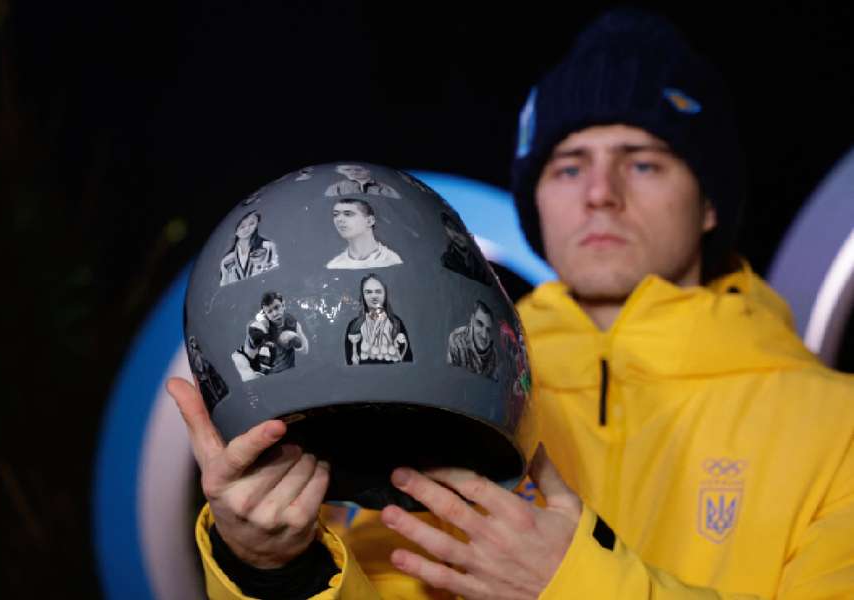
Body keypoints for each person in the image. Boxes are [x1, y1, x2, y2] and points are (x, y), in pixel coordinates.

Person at [168, 9, 854, 599]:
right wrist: (271, 569)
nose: (600, 193)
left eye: (643, 161)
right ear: (538, 202)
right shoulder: (442, 396)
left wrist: (575, 584)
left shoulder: (839, 426)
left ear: (708, 205)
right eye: (568, 166)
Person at [231, 291, 308, 381]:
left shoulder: (292, 323)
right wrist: (256, 336)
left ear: (283, 305)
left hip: (291, 377)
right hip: (267, 382)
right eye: (269, 311)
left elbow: (305, 351)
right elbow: (249, 354)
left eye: (276, 307)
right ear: (265, 314)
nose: (275, 313)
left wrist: (296, 341)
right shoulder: (260, 328)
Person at [344, 273, 412, 365]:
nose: (374, 296)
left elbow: (407, 359)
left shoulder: (396, 322)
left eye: (378, 291)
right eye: (368, 292)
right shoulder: (354, 325)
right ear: (363, 295)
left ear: (385, 294)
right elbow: (350, 363)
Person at [326, 198, 403, 269]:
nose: (339, 219)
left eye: (348, 214)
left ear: (369, 221)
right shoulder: (335, 264)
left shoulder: (391, 260)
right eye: (336, 214)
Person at [219, 210, 279, 286]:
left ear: (257, 224)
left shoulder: (268, 247)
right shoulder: (226, 261)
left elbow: (275, 274)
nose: (247, 229)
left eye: (252, 224)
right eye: (242, 226)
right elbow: (224, 285)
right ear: (235, 230)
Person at [447, 300, 498, 380]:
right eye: (479, 324)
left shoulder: (492, 353)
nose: (484, 335)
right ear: (472, 319)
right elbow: (451, 374)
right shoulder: (457, 339)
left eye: (488, 330)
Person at [440, 212, 493, 284]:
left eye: (457, 229)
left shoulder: (487, 255)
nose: (454, 235)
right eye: (449, 228)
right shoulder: (450, 258)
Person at [325, 164, 401, 198]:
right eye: (347, 169)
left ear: (369, 171)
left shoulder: (384, 188)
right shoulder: (336, 188)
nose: (353, 172)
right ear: (341, 171)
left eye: (358, 169)